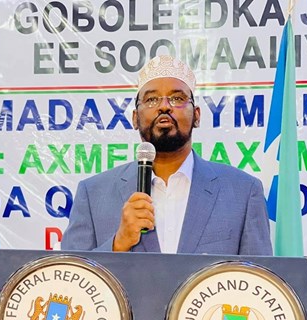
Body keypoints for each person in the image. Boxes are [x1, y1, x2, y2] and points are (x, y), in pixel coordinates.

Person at [61, 55, 272, 255]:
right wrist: (119, 243)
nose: (164, 106)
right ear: (134, 118)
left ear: (197, 115)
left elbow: (259, 277)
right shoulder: (93, 194)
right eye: (151, 99)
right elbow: (71, 274)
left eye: (177, 98)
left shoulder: (243, 192)